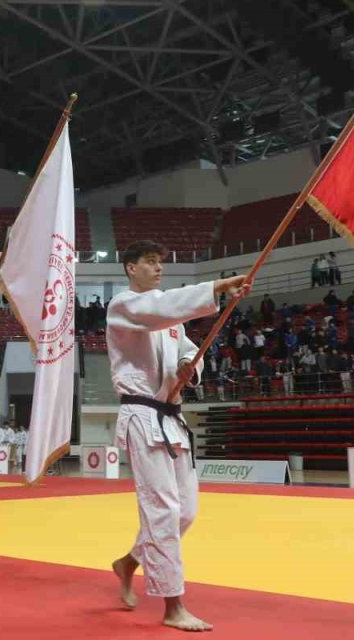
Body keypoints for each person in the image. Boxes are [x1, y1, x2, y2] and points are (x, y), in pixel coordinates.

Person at [106, 240, 248, 632]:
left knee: (186, 510)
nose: (157, 268)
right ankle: (173, 606)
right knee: (163, 509)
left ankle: (129, 562)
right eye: (150, 262)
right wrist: (216, 288)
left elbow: (186, 351)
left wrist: (189, 367)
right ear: (131, 268)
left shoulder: (171, 323)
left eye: (159, 263)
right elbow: (159, 310)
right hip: (142, 414)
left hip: (171, 417)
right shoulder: (123, 306)